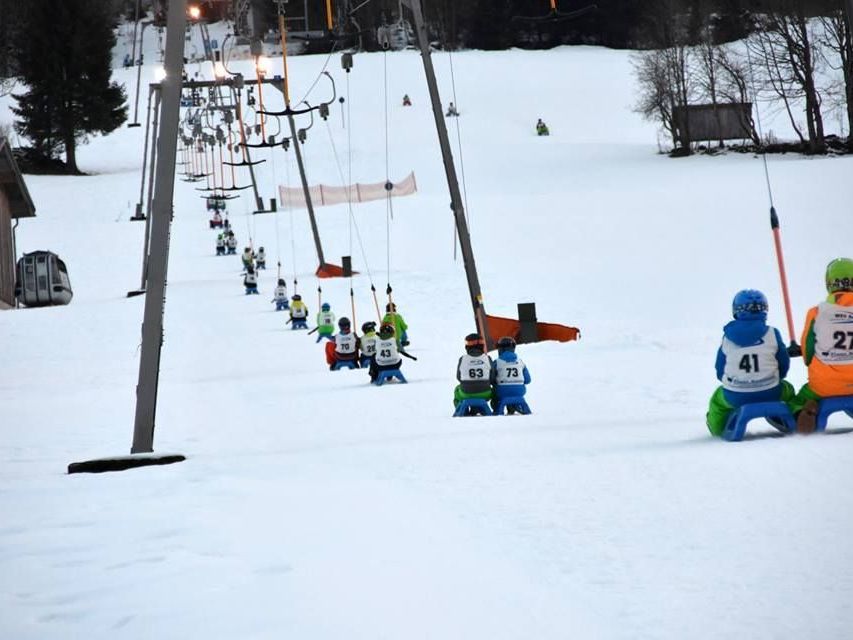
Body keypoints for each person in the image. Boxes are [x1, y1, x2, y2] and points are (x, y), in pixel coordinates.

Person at [705, 289, 794, 437]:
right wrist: (777, 378)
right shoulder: (772, 333)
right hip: (771, 392)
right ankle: (790, 417)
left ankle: (717, 429)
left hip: (736, 395)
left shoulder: (727, 338)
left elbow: (720, 368)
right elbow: (783, 363)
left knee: (717, 400)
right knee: (789, 390)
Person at [791, 258, 853, 433]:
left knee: (797, 400)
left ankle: (801, 413)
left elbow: (808, 352)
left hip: (825, 385)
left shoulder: (817, 312)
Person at [453, 333, 493, 414]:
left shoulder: (462, 359)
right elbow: (492, 377)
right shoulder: (487, 358)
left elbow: (459, 377)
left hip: (466, 393)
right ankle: (479, 408)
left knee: (457, 390)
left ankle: (462, 410)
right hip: (485, 393)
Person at [490, 336, 531, 414]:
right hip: (519, 391)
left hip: (502, 391)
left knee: (495, 392)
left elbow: (491, 379)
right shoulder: (520, 362)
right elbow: (528, 380)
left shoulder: (497, 362)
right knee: (513, 391)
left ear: (500, 349)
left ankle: (497, 409)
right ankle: (515, 406)